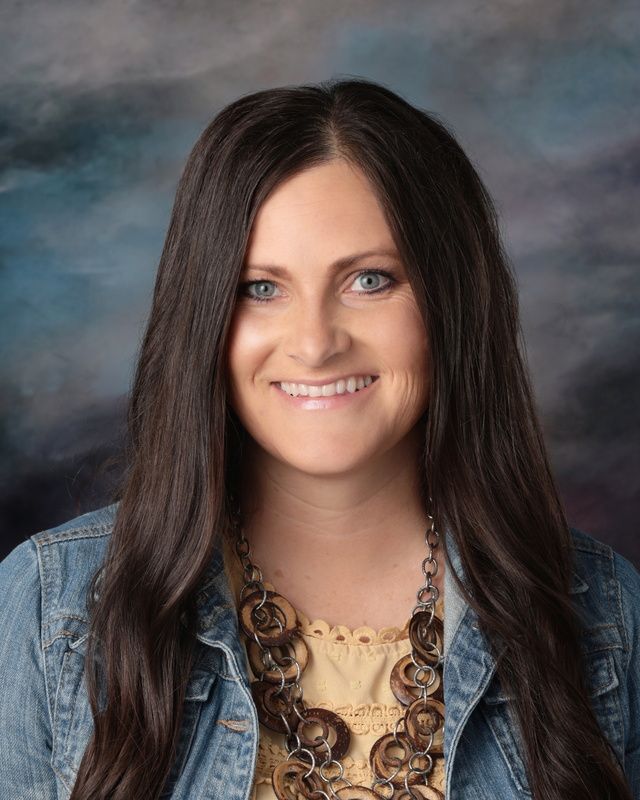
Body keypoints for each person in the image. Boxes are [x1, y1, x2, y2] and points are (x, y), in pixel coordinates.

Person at [0, 77, 637, 800]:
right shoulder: (53, 609)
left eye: (369, 279)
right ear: (203, 315)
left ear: (452, 302)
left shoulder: (603, 611)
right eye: (260, 288)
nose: (314, 343)